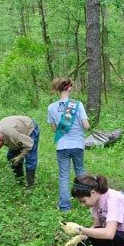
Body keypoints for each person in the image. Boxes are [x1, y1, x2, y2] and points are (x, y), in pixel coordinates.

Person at [60, 174, 124, 246]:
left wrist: (79, 229)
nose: (82, 205)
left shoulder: (113, 199)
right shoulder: (96, 201)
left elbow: (109, 234)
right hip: (115, 235)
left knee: (96, 237)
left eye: (83, 201)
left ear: (93, 193)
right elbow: (96, 225)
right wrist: (79, 238)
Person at [47, 77, 90, 212]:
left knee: (64, 176)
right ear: (69, 88)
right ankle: (86, 200)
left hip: (62, 146)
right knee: (80, 173)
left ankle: (65, 207)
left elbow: (54, 130)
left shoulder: (51, 107)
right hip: (77, 144)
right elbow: (86, 125)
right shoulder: (78, 104)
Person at [0, 116, 40, 189]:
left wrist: (19, 157)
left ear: (0, 143)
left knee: (30, 157)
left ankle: (30, 185)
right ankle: (20, 181)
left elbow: (29, 145)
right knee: (11, 156)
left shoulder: (13, 134)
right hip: (15, 131)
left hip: (29, 128)